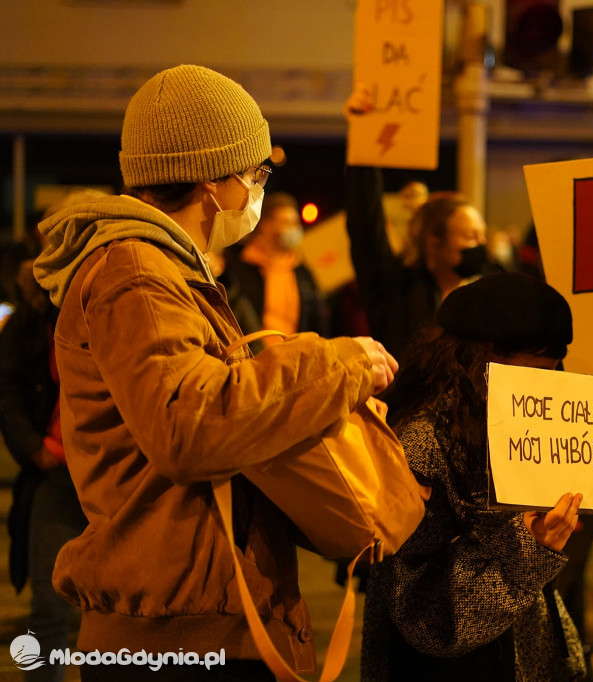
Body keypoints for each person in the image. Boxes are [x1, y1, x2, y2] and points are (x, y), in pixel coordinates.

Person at [32, 64, 398, 681]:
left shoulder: (161, 269)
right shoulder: (137, 275)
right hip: (178, 642)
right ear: (213, 183)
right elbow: (190, 423)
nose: (259, 192)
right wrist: (340, 361)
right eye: (256, 175)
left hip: (196, 619)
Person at [361, 271, 586, 681]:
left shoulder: (508, 424)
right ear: (486, 359)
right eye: (536, 373)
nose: (545, 388)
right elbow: (425, 610)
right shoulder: (422, 444)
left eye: (555, 372)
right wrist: (527, 547)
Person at [0, 208, 91, 681]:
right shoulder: (32, 315)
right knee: (49, 609)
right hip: (56, 472)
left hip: (114, 476)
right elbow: (10, 388)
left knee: (126, 615)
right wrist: (33, 447)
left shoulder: (117, 295)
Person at [342, 85, 490, 362]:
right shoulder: (394, 289)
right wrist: (362, 135)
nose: (480, 245)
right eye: (470, 236)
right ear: (434, 242)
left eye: (482, 236)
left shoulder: (484, 299)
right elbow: (366, 224)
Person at [220, 191, 328, 340]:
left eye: (295, 222)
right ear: (266, 226)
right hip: (254, 358)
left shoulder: (300, 270)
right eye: (286, 222)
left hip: (295, 357)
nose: (294, 229)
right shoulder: (239, 269)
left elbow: (317, 320)